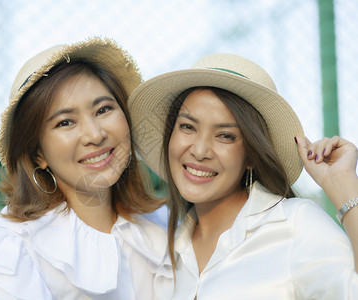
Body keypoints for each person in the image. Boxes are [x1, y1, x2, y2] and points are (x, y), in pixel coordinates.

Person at [0, 37, 172, 299]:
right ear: (38, 155)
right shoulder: (7, 257)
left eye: (103, 109)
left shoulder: (165, 227)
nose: (94, 134)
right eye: (65, 122)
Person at [128, 53, 358, 299]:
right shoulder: (164, 255)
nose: (200, 150)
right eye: (187, 127)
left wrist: (343, 185)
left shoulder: (294, 224)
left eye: (225, 135)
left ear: (251, 156)